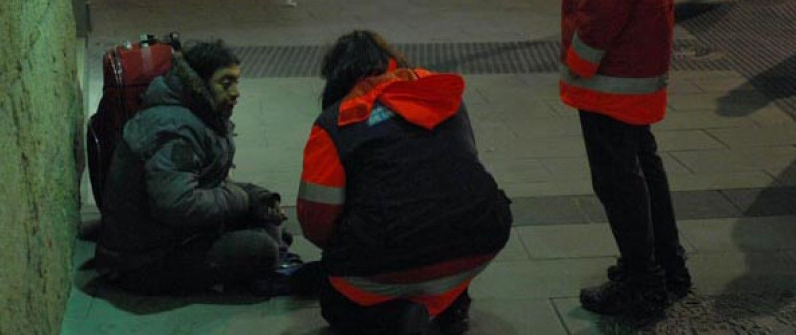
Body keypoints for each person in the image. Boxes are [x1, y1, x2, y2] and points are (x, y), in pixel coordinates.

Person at [297, 30, 513, 335]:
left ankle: (400, 317)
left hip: (387, 255)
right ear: (393, 62)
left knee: (335, 301)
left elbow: (316, 222)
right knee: (443, 233)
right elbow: (463, 165)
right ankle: (449, 301)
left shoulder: (334, 123)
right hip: (482, 234)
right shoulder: (442, 94)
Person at [92, 40, 302, 296]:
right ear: (199, 84)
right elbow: (177, 204)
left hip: (170, 237)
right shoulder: (174, 129)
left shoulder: (198, 115)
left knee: (266, 214)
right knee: (262, 249)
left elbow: (208, 182)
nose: (236, 92)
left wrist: (256, 197)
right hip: (141, 263)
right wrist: (243, 200)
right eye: (226, 83)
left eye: (237, 82)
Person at [559, 0, 692, 317]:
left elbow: (604, 9)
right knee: (643, 162)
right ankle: (665, 261)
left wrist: (579, 57)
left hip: (612, 71)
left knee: (617, 178)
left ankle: (642, 282)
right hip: (636, 58)